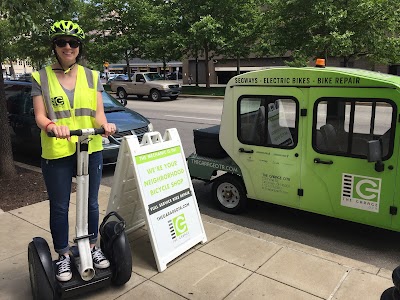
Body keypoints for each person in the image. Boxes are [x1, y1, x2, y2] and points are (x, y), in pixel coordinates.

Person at [31, 20, 116, 282]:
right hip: (57, 151)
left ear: (80, 47)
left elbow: (98, 114)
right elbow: (39, 116)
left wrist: (106, 125)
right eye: (61, 42)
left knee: (91, 202)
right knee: (60, 206)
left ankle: (91, 245)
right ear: (54, 46)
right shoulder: (40, 77)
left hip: (90, 148)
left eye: (73, 43)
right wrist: (51, 126)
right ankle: (63, 255)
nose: (68, 47)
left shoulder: (92, 76)